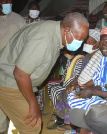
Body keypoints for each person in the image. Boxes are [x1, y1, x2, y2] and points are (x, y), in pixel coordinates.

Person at [0, 12, 89, 134]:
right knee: (32, 125)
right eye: (79, 39)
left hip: (11, 78)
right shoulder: (44, 40)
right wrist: (33, 103)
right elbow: (20, 74)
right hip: (9, 82)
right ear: (67, 31)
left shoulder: (52, 30)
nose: (80, 43)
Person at [47, 29, 101, 131]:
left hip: (91, 86)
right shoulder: (86, 57)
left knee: (71, 93)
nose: (87, 44)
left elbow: (97, 78)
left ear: (97, 44)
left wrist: (79, 85)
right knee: (65, 90)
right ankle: (64, 120)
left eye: (90, 42)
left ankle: (72, 123)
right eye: (86, 42)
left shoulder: (99, 58)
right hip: (80, 83)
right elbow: (79, 75)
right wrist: (74, 82)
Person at [0, 0, 25, 133]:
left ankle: (16, 126)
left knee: (13, 95)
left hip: (12, 65)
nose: (8, 3)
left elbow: (25, 41)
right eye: (5, 1)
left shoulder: (18, 19)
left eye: (10, 1)